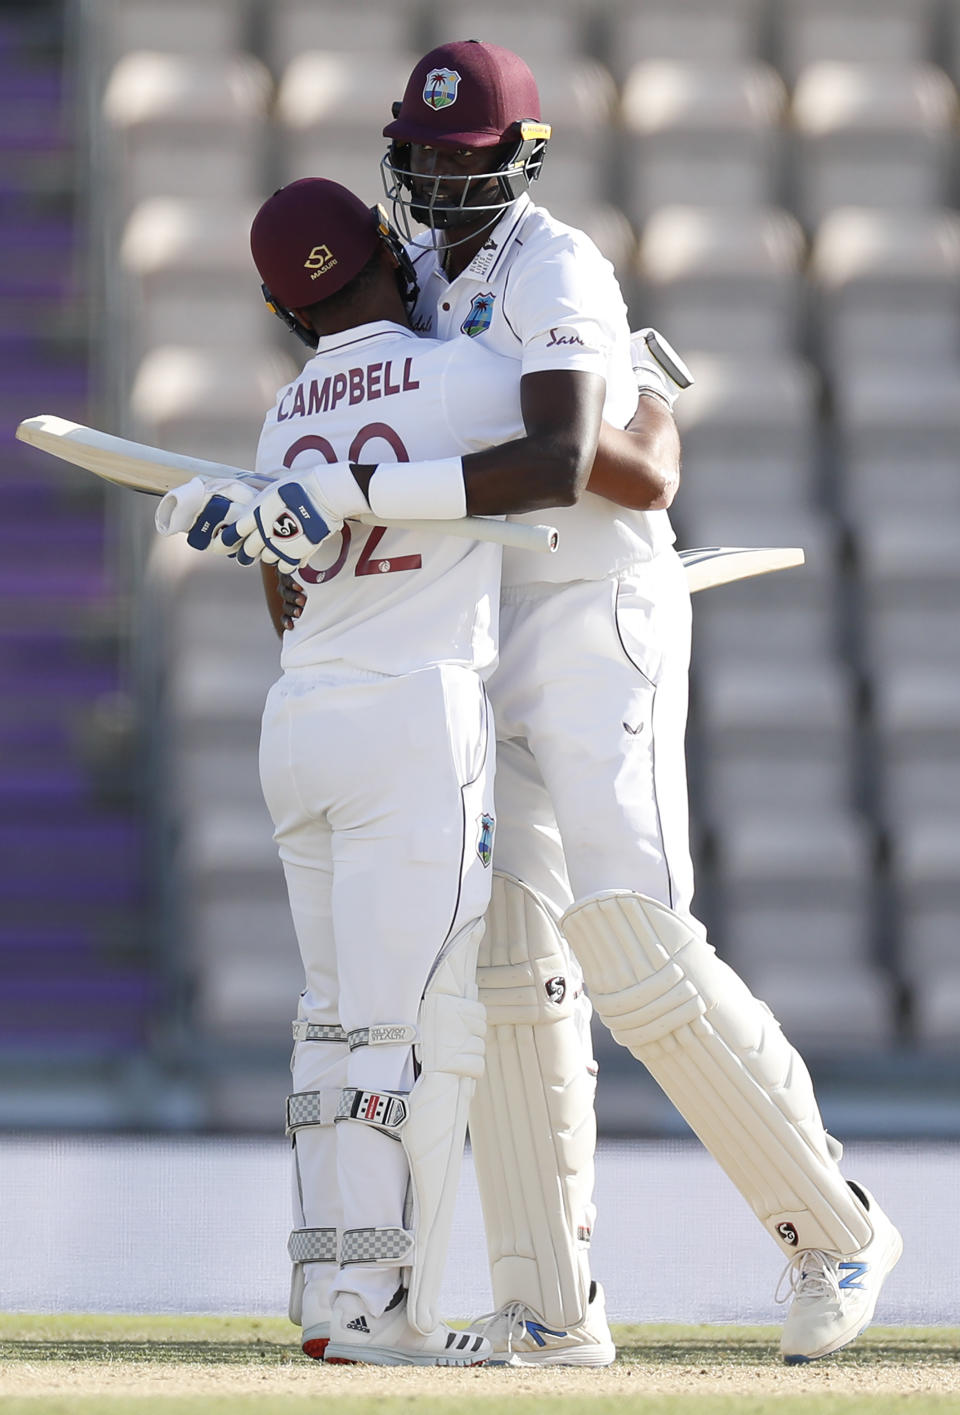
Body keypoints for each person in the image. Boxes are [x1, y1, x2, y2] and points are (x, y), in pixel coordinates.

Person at [275, 38, 894, 1367]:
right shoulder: (413, 283)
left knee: (631, 933)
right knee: (505, 960)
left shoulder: (555, 264)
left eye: (463, 157)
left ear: (518, 157)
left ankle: (831, 1227)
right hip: (479, 628)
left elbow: (574, 461)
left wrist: (633, 424)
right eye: (422, 156)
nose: (439, 180)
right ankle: (553, 1310)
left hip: (596, 618)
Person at [152, 175, 585, 1367]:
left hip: (301, 719)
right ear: (392, 254)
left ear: (283, 306)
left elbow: (286, 591)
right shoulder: (461, 374)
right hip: (414, 710)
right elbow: (575, 444)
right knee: (408, 1026)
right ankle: (381, 1311)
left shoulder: (287, 415)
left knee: (333, 1024)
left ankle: (328, 1298)